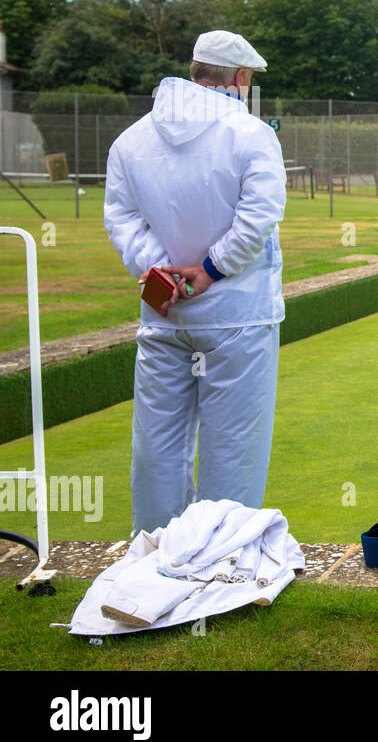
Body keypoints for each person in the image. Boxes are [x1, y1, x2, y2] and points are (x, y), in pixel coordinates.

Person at [104, 30, 286, 536]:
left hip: (162, 313)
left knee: (157, 444)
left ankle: (154, 555)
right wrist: (208, 272)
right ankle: (221, 562)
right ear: (241, 78)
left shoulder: (130, 139)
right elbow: (259, 217)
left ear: (194, 71)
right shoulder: (251, 133)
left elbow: (121, 217)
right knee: (234, 446)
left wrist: (163, 271)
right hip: (238, 316)